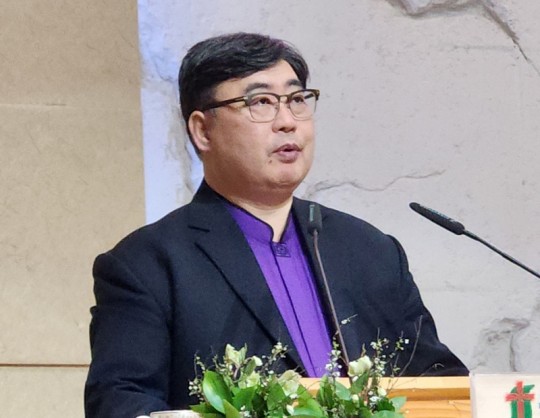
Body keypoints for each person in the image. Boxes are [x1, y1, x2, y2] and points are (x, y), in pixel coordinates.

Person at [85, 32, 467, 418]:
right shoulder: (148, 264)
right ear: (202, 130)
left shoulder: (371, 250)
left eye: (297, 99)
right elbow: (119, 400)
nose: (287, 122)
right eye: (261, 102)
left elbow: (443, 383)